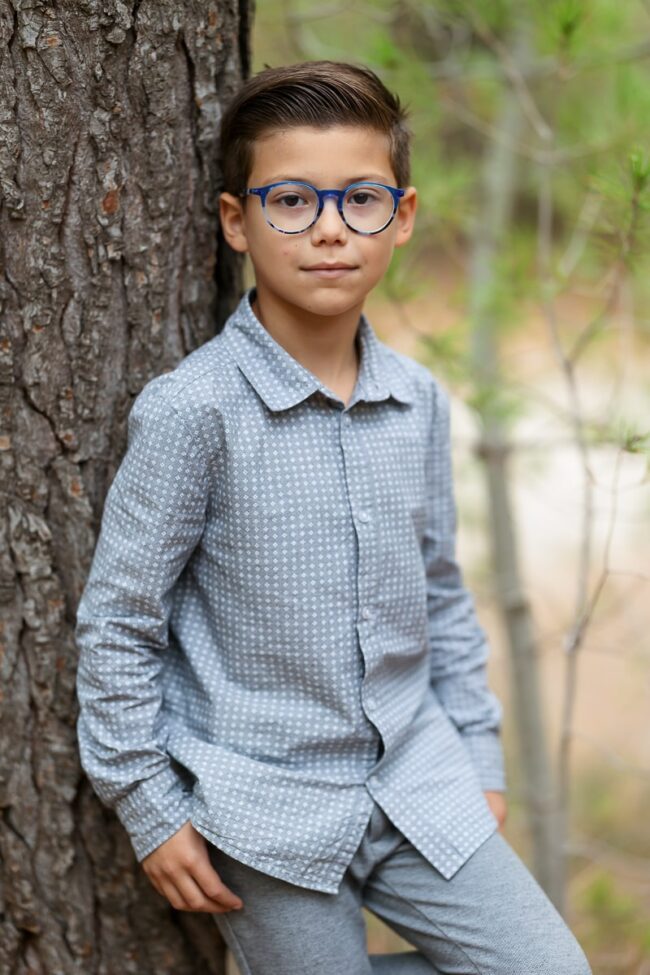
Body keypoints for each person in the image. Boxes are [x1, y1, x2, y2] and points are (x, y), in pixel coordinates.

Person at [75, 60, 592, 974]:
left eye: (360, 200)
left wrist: (478, 754)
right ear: (238, 221)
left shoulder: (417, 399)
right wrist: (148, 804)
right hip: (262, 810)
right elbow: (119, 622)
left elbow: (440, 591)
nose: (327, 231)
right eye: (290, 201)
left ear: (402, 217)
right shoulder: (194, 410)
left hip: (420, 784)